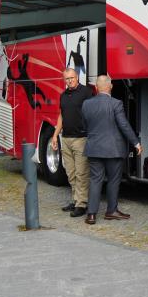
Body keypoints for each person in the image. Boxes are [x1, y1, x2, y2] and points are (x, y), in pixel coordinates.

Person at [81, 75, 140, 225]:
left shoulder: (86, 104)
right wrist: (136, 143)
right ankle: (111, 211)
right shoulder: (116, 104)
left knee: (95, 180)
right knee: (113, 180)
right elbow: (124, 125)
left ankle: (91, 215)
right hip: (113, 149)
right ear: (111, 86)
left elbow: (84, 126)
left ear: (96, 87)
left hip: (93, 147)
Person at [52, 68, 94, 217]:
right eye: (66, 79)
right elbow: (61, 116)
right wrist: (55, 136)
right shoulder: (63, 95)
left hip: (81, 139)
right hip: (66, 138)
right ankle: (76, 200)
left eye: (72, 78)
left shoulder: (86, 92)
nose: (69, 81)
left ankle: (81, 204)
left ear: (77, 77)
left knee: (81, 173)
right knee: (70, 173)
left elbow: (92, 113)